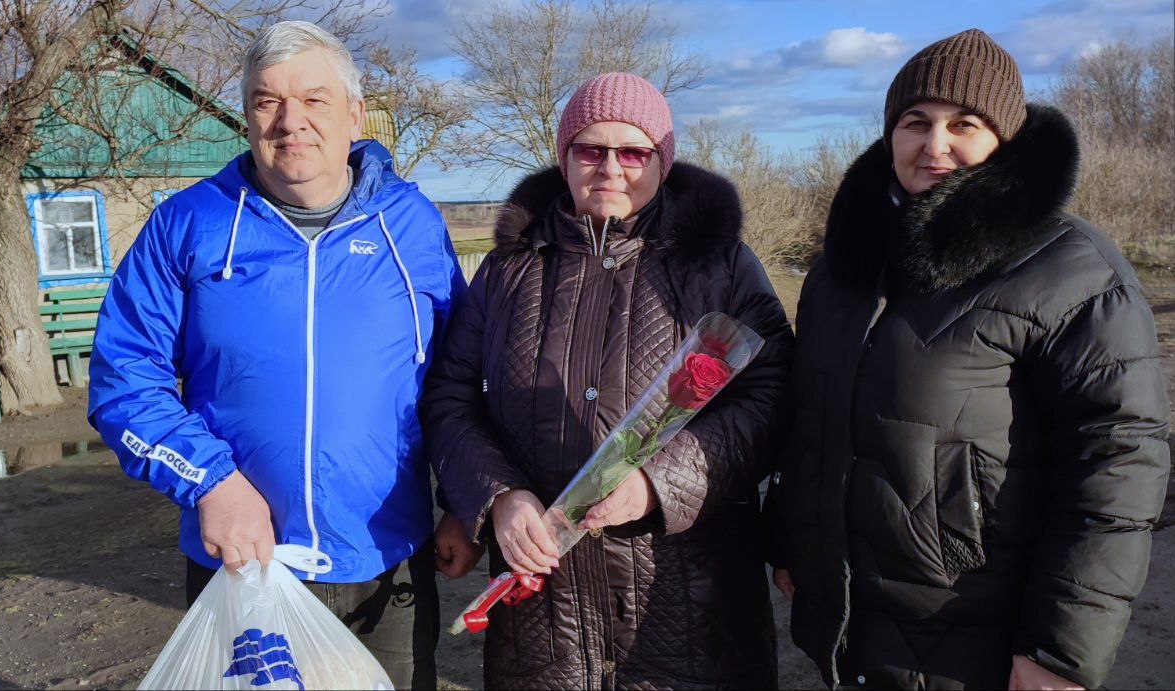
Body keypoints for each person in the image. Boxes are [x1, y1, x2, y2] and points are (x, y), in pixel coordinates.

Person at [764, 28, 1171, 690]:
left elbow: (1117, 462)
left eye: (964, 123)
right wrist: (789, 542)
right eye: (914, 122)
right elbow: (806, 422)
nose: (934, 144)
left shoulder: (1071, 269)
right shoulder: (841, 268)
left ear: (1002, 138)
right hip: (852, 630)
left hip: (985, 639)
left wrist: (1059, 649)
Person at [87, 20, 482, 690]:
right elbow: (124, 380)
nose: (289, 121)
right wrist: (210, 480)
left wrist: (464, 502)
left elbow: (459, 379)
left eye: (314, 99)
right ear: (246, 117)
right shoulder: (187, 225)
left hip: (387, 556)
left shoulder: (410, 224)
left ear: (356, 114)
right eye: (267, 101)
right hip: (244, 565)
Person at [420, 72, 794, 689]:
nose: (611, 168)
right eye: (591, 150)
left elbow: (773, 391)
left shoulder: (719, 263)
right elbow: (451, 396)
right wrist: (496, 496)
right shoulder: (509, 269)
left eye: (633, 152)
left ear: (661, 161)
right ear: (565, 157)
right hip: (545, 613)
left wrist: (661, 483)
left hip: (687, 606)